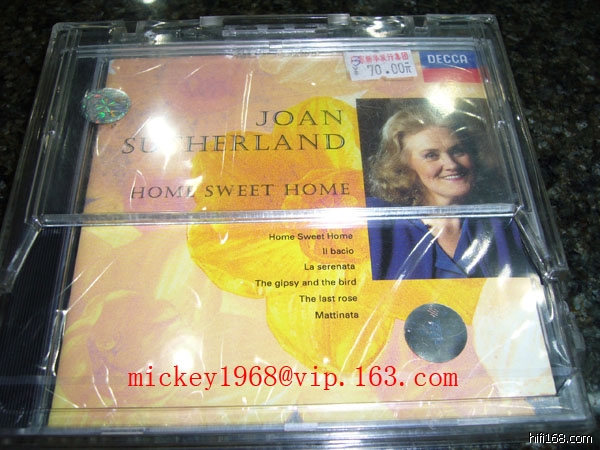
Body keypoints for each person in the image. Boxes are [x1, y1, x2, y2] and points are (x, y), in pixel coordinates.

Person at [366, 104, 532, 279]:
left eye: (457, 151)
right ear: (404, 167)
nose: (451, 164)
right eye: (431, 155)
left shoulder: (506, 223)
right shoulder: (378, 224)